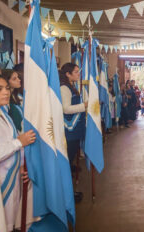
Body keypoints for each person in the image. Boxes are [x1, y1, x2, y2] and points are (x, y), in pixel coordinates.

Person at [0, 74, 36, 232]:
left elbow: (12, 143)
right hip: (1, 182)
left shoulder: (3, 114)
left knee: (10, 223)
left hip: (12, 177)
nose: (6, 92)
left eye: (7, 88)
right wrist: (20, 141)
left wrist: (20, 166)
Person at [59, 63, 87, 202]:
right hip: (69, 130)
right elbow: (66, 109)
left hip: (75, 130)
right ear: (68, 74)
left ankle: (69, 193)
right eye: (75, 72)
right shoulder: (64, 88)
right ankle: (66, 196)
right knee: (67, 162)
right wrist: (84, 106)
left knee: (70, 161)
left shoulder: (72, 86)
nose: (78, 74)